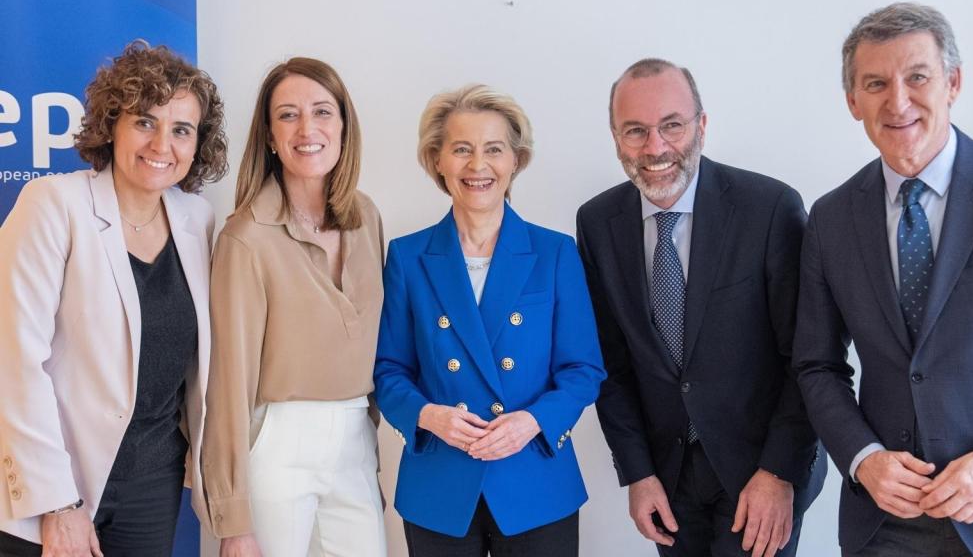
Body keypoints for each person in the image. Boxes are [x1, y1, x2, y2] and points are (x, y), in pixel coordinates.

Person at [793, 2, 973, 557]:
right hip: (884, 524)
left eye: (917, 76)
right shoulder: (830, 218)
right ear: (853, 101)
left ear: (953, 82)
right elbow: (816, 364)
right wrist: (862, 457)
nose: (898, 101)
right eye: (875, 83)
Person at [576, 59, 825, 557]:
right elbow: (610, 363)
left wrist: (779, 473)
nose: (656, 147)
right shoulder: (597, 222)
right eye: (636, 131)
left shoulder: (770, 208)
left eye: (672, 125)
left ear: (702, 127)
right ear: (615, 138)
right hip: (668, 480)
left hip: (759, 470)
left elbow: (808, 358)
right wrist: (638, 473)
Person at [0, 41, 227, 556]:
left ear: (197, 145)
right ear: (112, 125)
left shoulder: (199, 221)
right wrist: (57, 503)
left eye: (181, 130)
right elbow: (13, 360)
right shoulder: (54, 204)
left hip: (153, 483)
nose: (161, 144)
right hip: (56, 480)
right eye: (145, 122)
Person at [373, 84, 606, 556]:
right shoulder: (407, 255)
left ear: (516, 160)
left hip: (535, 479)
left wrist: (533, 422)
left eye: (493, 150)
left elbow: (584, 370)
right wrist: (428, 416)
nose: (478, 166)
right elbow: (388, 370)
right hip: (440, 483)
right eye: (462, 149)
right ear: (437, 160)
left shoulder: (555, 252)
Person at [200, 58, 386, 557]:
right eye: (288, 115)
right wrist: (233, 519)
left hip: (353, 440)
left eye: (322, 112)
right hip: (276, 444)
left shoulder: (367, 217)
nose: (308, 129)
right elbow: (228, 385)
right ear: (268, 134)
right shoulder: (245, 237)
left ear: (344, 124)